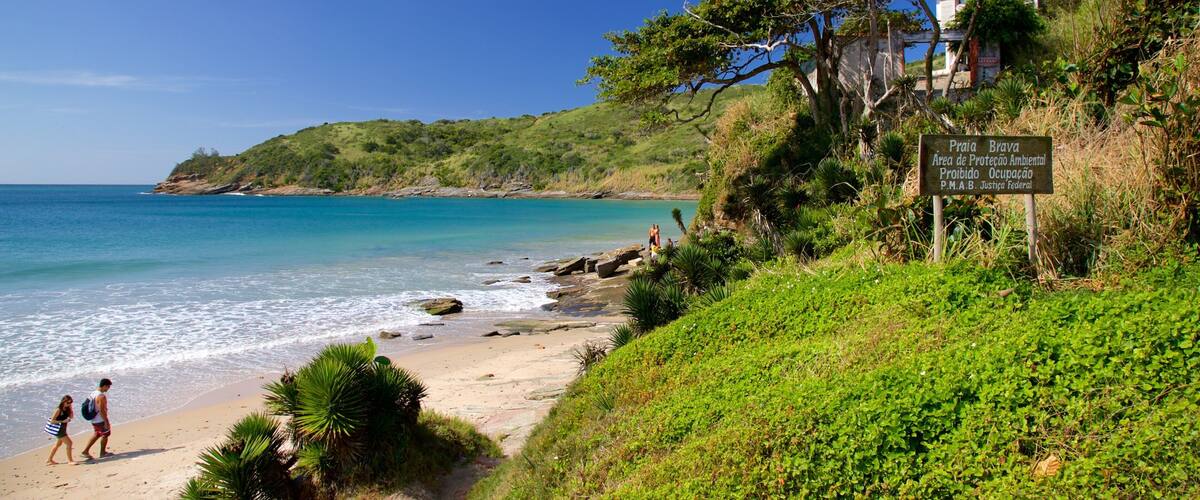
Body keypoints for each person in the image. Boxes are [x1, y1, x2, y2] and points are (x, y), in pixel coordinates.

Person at [81, 378, 113, 460]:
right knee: (106, 434)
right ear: (105, 386)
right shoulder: (101, 396)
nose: (108, 389)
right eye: (108, 387)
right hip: (100, 419)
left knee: (97, 433)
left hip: (94, 419)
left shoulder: (93, 393)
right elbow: (102, 410)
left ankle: (85, 451)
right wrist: (106, 422)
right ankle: (102, 453)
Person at [45, 395, 78, 465]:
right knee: (69, 443)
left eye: (70, 403)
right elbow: (52, 421)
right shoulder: (58, 410)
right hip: (59, 430)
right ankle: (70, 460)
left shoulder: (67, 409)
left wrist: (70, 408)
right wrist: (62, 421)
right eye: (68, 403)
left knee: (58, 445)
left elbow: (71, 417)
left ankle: (49, 459)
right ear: (63, 402)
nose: (69, 404)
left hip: (63, 429)